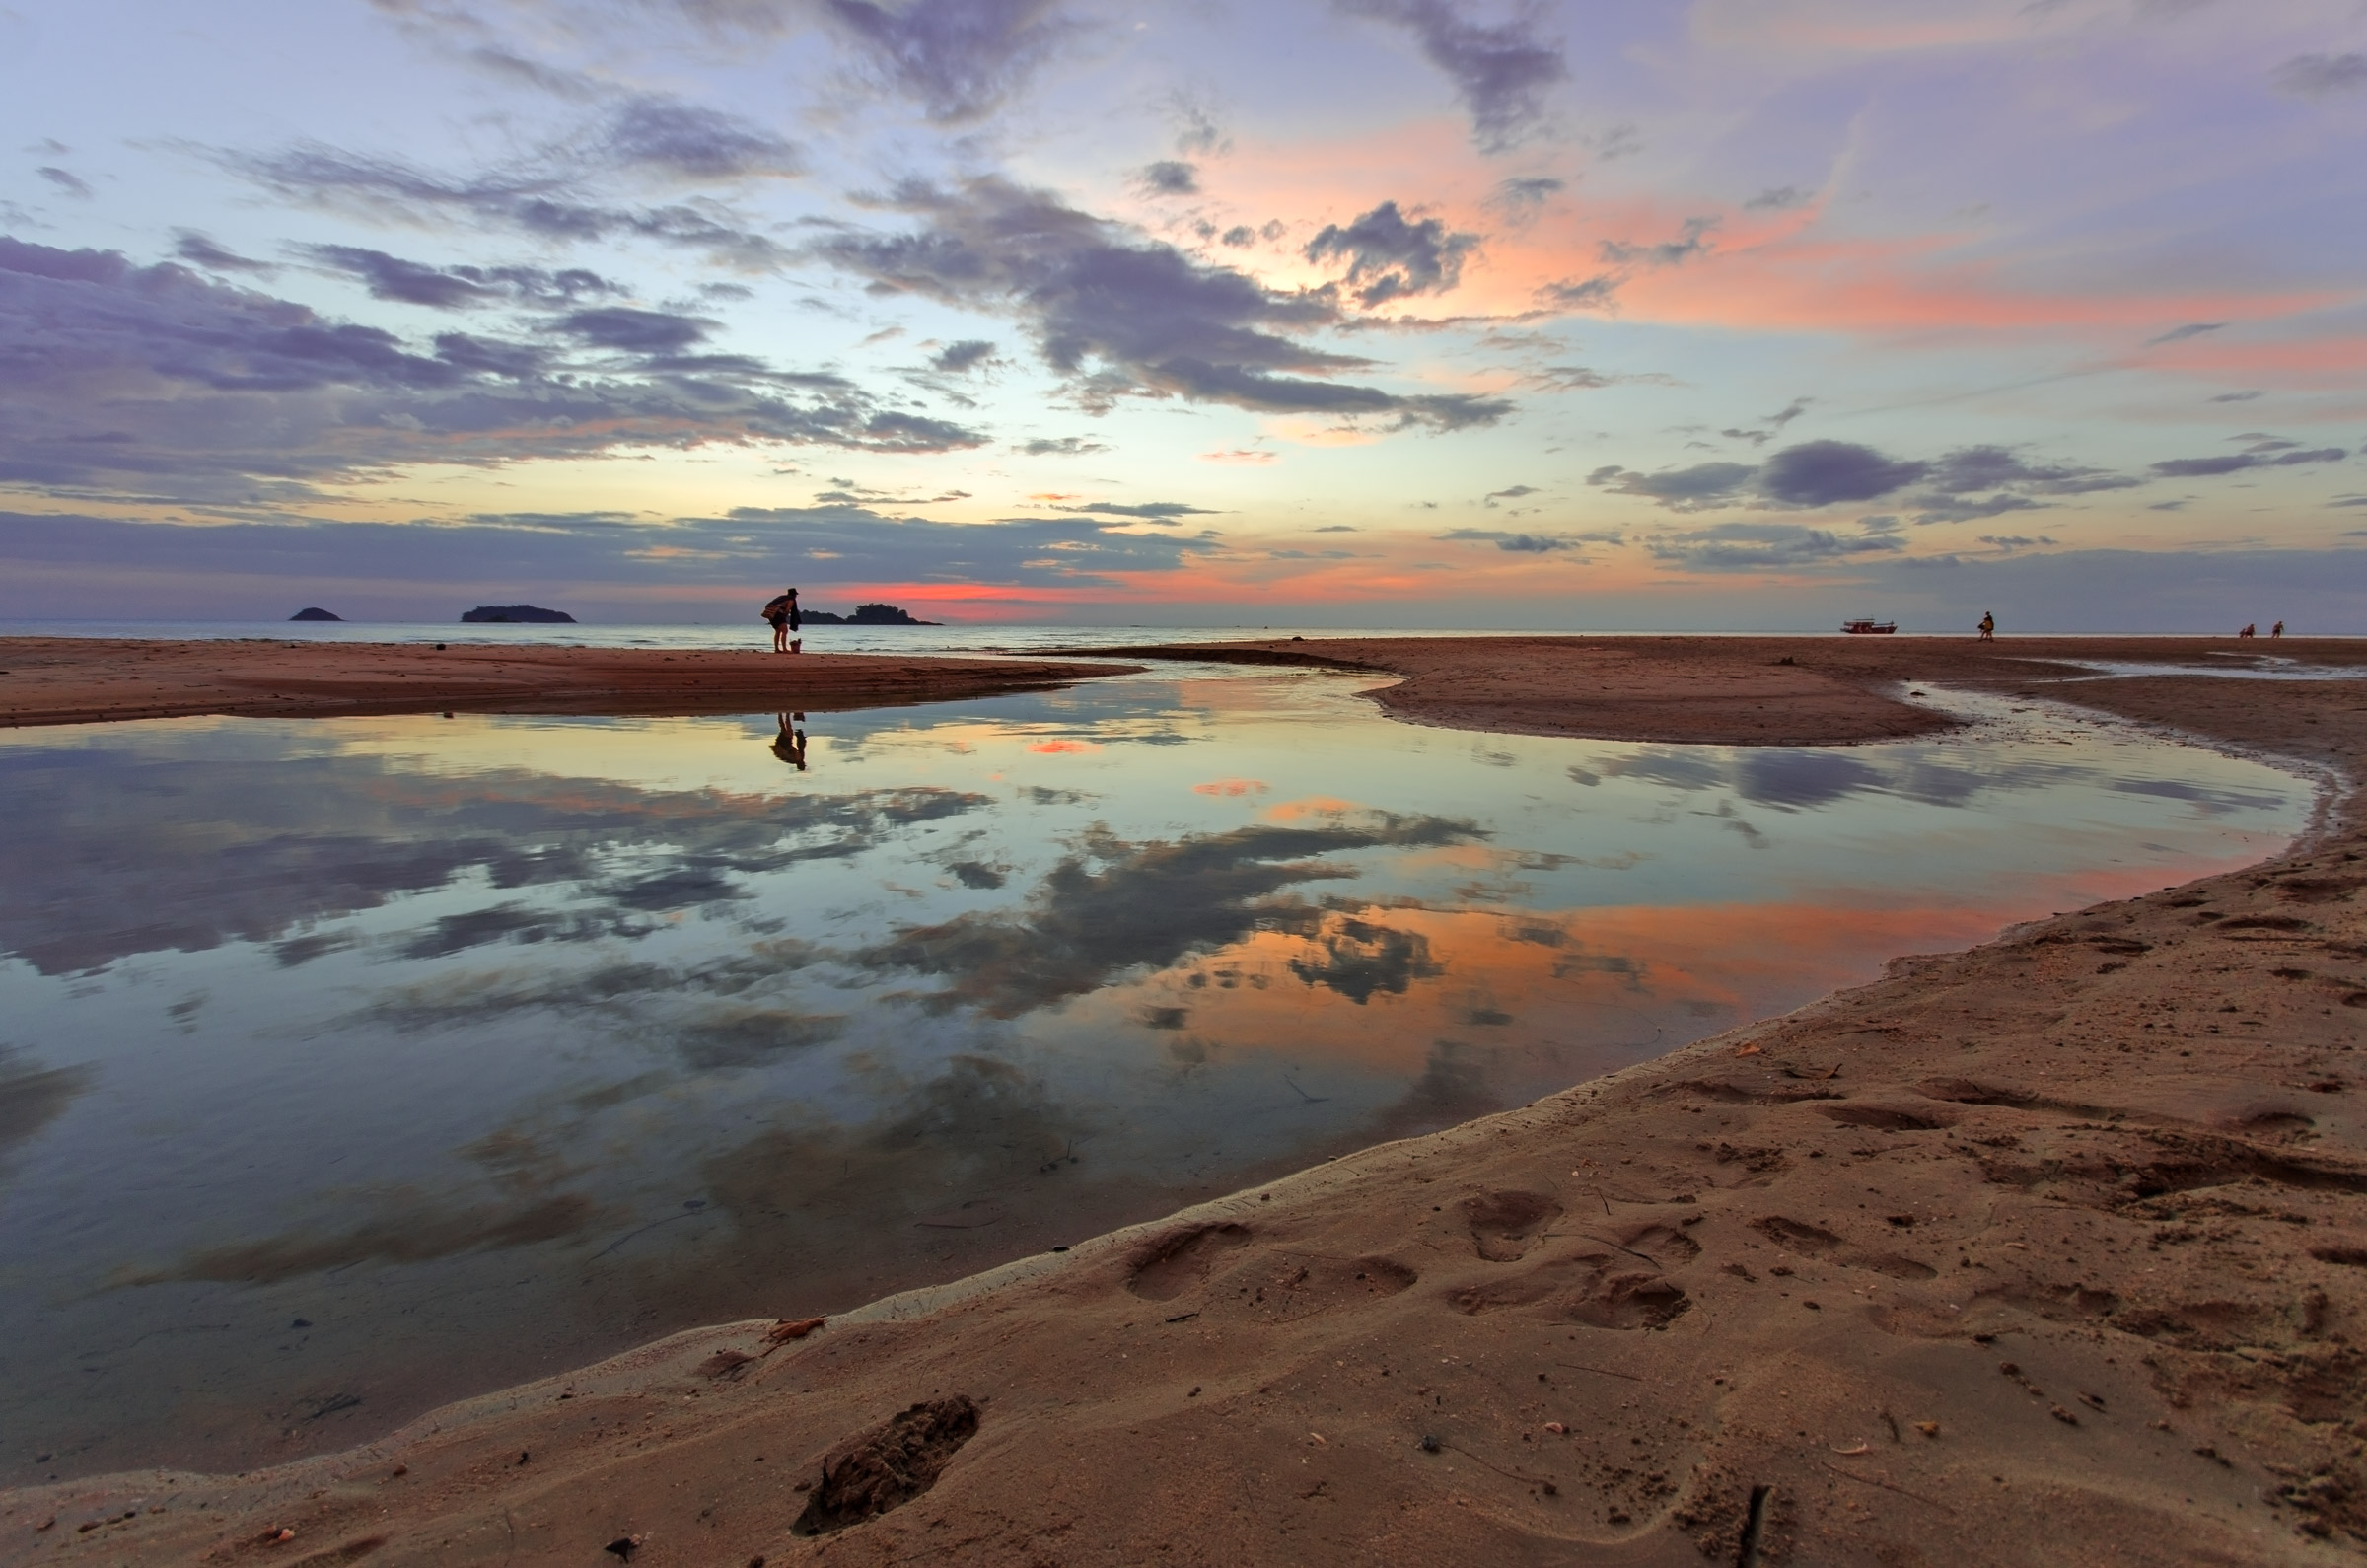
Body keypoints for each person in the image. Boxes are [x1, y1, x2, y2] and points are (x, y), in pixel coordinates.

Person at [761, 589, 793, 653]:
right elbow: (787, 610)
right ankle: (784, 649)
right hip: (778, 614)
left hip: (771, 614)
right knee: (785, 631)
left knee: (778, 631)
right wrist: (785, 616)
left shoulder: (781, 597)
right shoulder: (791, 600)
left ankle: (777, 649)